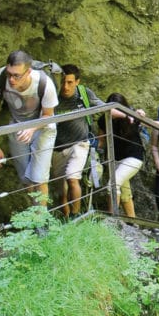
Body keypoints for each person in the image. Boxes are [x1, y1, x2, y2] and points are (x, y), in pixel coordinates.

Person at [0, 50, 59, 204]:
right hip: (17, 127)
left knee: (39, 178)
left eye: (16, 75)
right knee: (26, 179)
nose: (11, 79)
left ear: (29, 72)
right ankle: (33, 213)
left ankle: (42, 224)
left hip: (43, 126)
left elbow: (48, 115)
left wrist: (32, 128)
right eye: (9, 73)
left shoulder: (45, 83)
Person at [50, 64, 100, 218]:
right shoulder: (53, 96)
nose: (65, 86)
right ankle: (66, 220)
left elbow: (104, 106)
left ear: (77, 82)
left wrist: (130, 112)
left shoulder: (84, 94)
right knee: (61, 192)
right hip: (57, 149)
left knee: (73, 178)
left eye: (70, 82)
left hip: (80, 143)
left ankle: (75, 215)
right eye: (63, 82)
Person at [98, 93, 144, 218]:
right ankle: (133, 223)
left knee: (112, 185)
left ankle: (113, 221)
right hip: (115, 159)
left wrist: (134, 115)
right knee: (125, 193)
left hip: (133, 157)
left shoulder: (133, 116)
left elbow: (151, 123)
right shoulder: (104, 119)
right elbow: (101, 140)